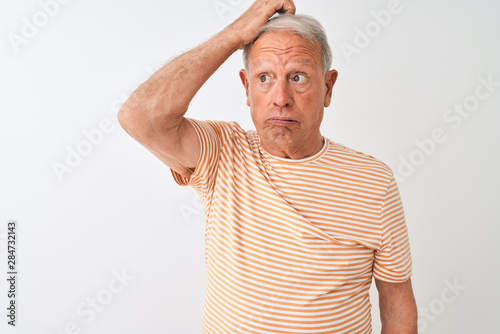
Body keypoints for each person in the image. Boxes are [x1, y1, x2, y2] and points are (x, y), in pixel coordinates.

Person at [118, 0, 418, 333]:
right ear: (247, 88)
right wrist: (234, 34)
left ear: (328, 87)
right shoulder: (221, 153)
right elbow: (139, 117)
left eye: (298, 77)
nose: (280, 97)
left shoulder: (374, 182)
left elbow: (397, 303)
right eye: (264, 77)